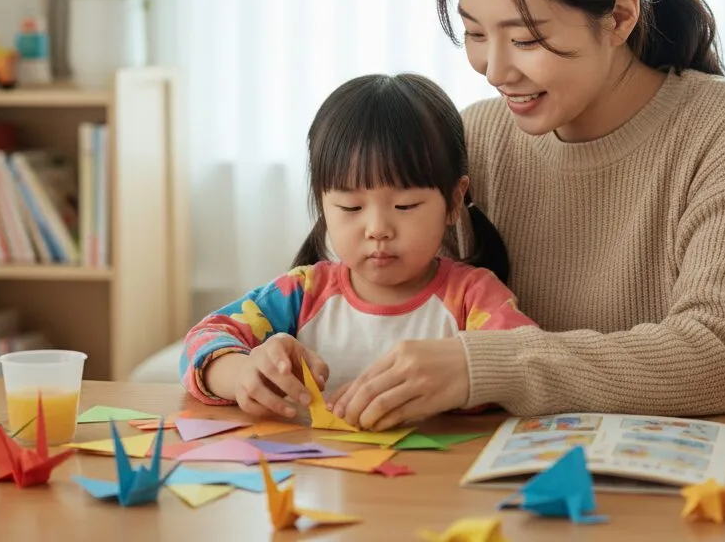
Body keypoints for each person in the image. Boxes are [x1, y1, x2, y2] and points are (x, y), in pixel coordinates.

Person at [329, 0, 725, 431]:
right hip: (490, 484)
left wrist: (490, 365)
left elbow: (721, 357)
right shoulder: (475, 137)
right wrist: (264, 352)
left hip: (678, 494)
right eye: (476, 33)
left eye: (526, 38)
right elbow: (353, 295)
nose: (494, 69)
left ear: (621, 17)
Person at [179, 72, 536, 417]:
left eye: (405, 206)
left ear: (454, 201)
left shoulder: (473, 297)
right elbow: (202, 342)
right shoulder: (301, 294)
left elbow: (527, 365)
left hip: (433, 477)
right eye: (351, 207)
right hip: (317, 476)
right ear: (323, 204)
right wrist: (242, 374)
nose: (378, 229)